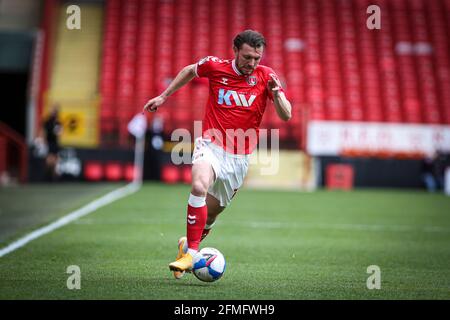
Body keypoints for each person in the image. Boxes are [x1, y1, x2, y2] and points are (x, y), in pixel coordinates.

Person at [143, 30, 292, 279]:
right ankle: (192, 252)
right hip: (210, 144)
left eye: (257, 57)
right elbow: (191, 70)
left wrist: (277, 95)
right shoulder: (215, 66)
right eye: (247, 57)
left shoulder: (266, 76)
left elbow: (286, 114)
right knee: (199, 186)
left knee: (211, 215)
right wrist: (164, 96)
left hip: (239, 157)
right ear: (235, 51)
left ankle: (186, 244)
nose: (252, 63)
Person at [43, 105, 62, 181]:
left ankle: (54, 177)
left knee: (55, 160)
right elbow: (44, 131)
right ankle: (48, 175)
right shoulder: (47, 121)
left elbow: (59, 132)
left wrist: (57, 132)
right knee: (49, 160)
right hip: (49, 142)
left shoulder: (58, 122)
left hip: (55, 143)